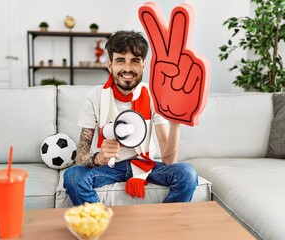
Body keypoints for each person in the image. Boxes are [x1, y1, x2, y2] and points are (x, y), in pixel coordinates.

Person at [63, 30, 198, 206]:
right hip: (109, 167)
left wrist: (176, 122)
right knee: (73, 176)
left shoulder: (154, 95)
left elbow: (169, 160)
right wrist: (99, 158)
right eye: (120, 60)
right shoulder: (95, 96)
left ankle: (166, 224)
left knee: (187, 174)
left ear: (144, 65)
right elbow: (81, 155)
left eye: (134, 61)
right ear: (110, 65)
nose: (127, 68)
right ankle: (99, 221)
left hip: (145, 165)